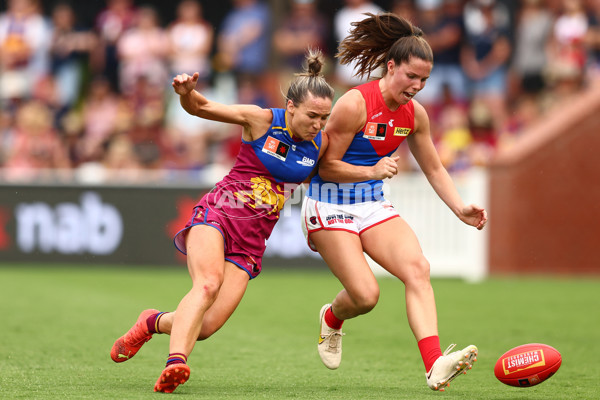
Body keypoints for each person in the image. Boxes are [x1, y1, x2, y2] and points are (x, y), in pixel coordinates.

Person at [109, 49, 334, 394]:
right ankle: (176, 363)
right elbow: (201, 108)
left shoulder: (319, 143)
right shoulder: (260, 119)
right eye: (312, 116)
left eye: (324, 117)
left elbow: (315, 184)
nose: (318, 124)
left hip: (252, 242)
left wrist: (316, 222)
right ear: (291, 107)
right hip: (218, 214)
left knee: (208, 324)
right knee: (207, 285)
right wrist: (186, 93)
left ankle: (151, 321)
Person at [301, 13, 487, 392]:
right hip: (327, 202)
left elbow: (434, 169)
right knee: (367, 296)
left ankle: (434, 364)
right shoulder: (354, 104)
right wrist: (371, 172)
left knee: (418, 269)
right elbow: (323, 168)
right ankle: (333, 318)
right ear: (390, 66)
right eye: (411, 76)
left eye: (424, 80)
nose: (417, 86)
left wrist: (460, 208)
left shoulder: (414, 115)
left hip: (371, 204)